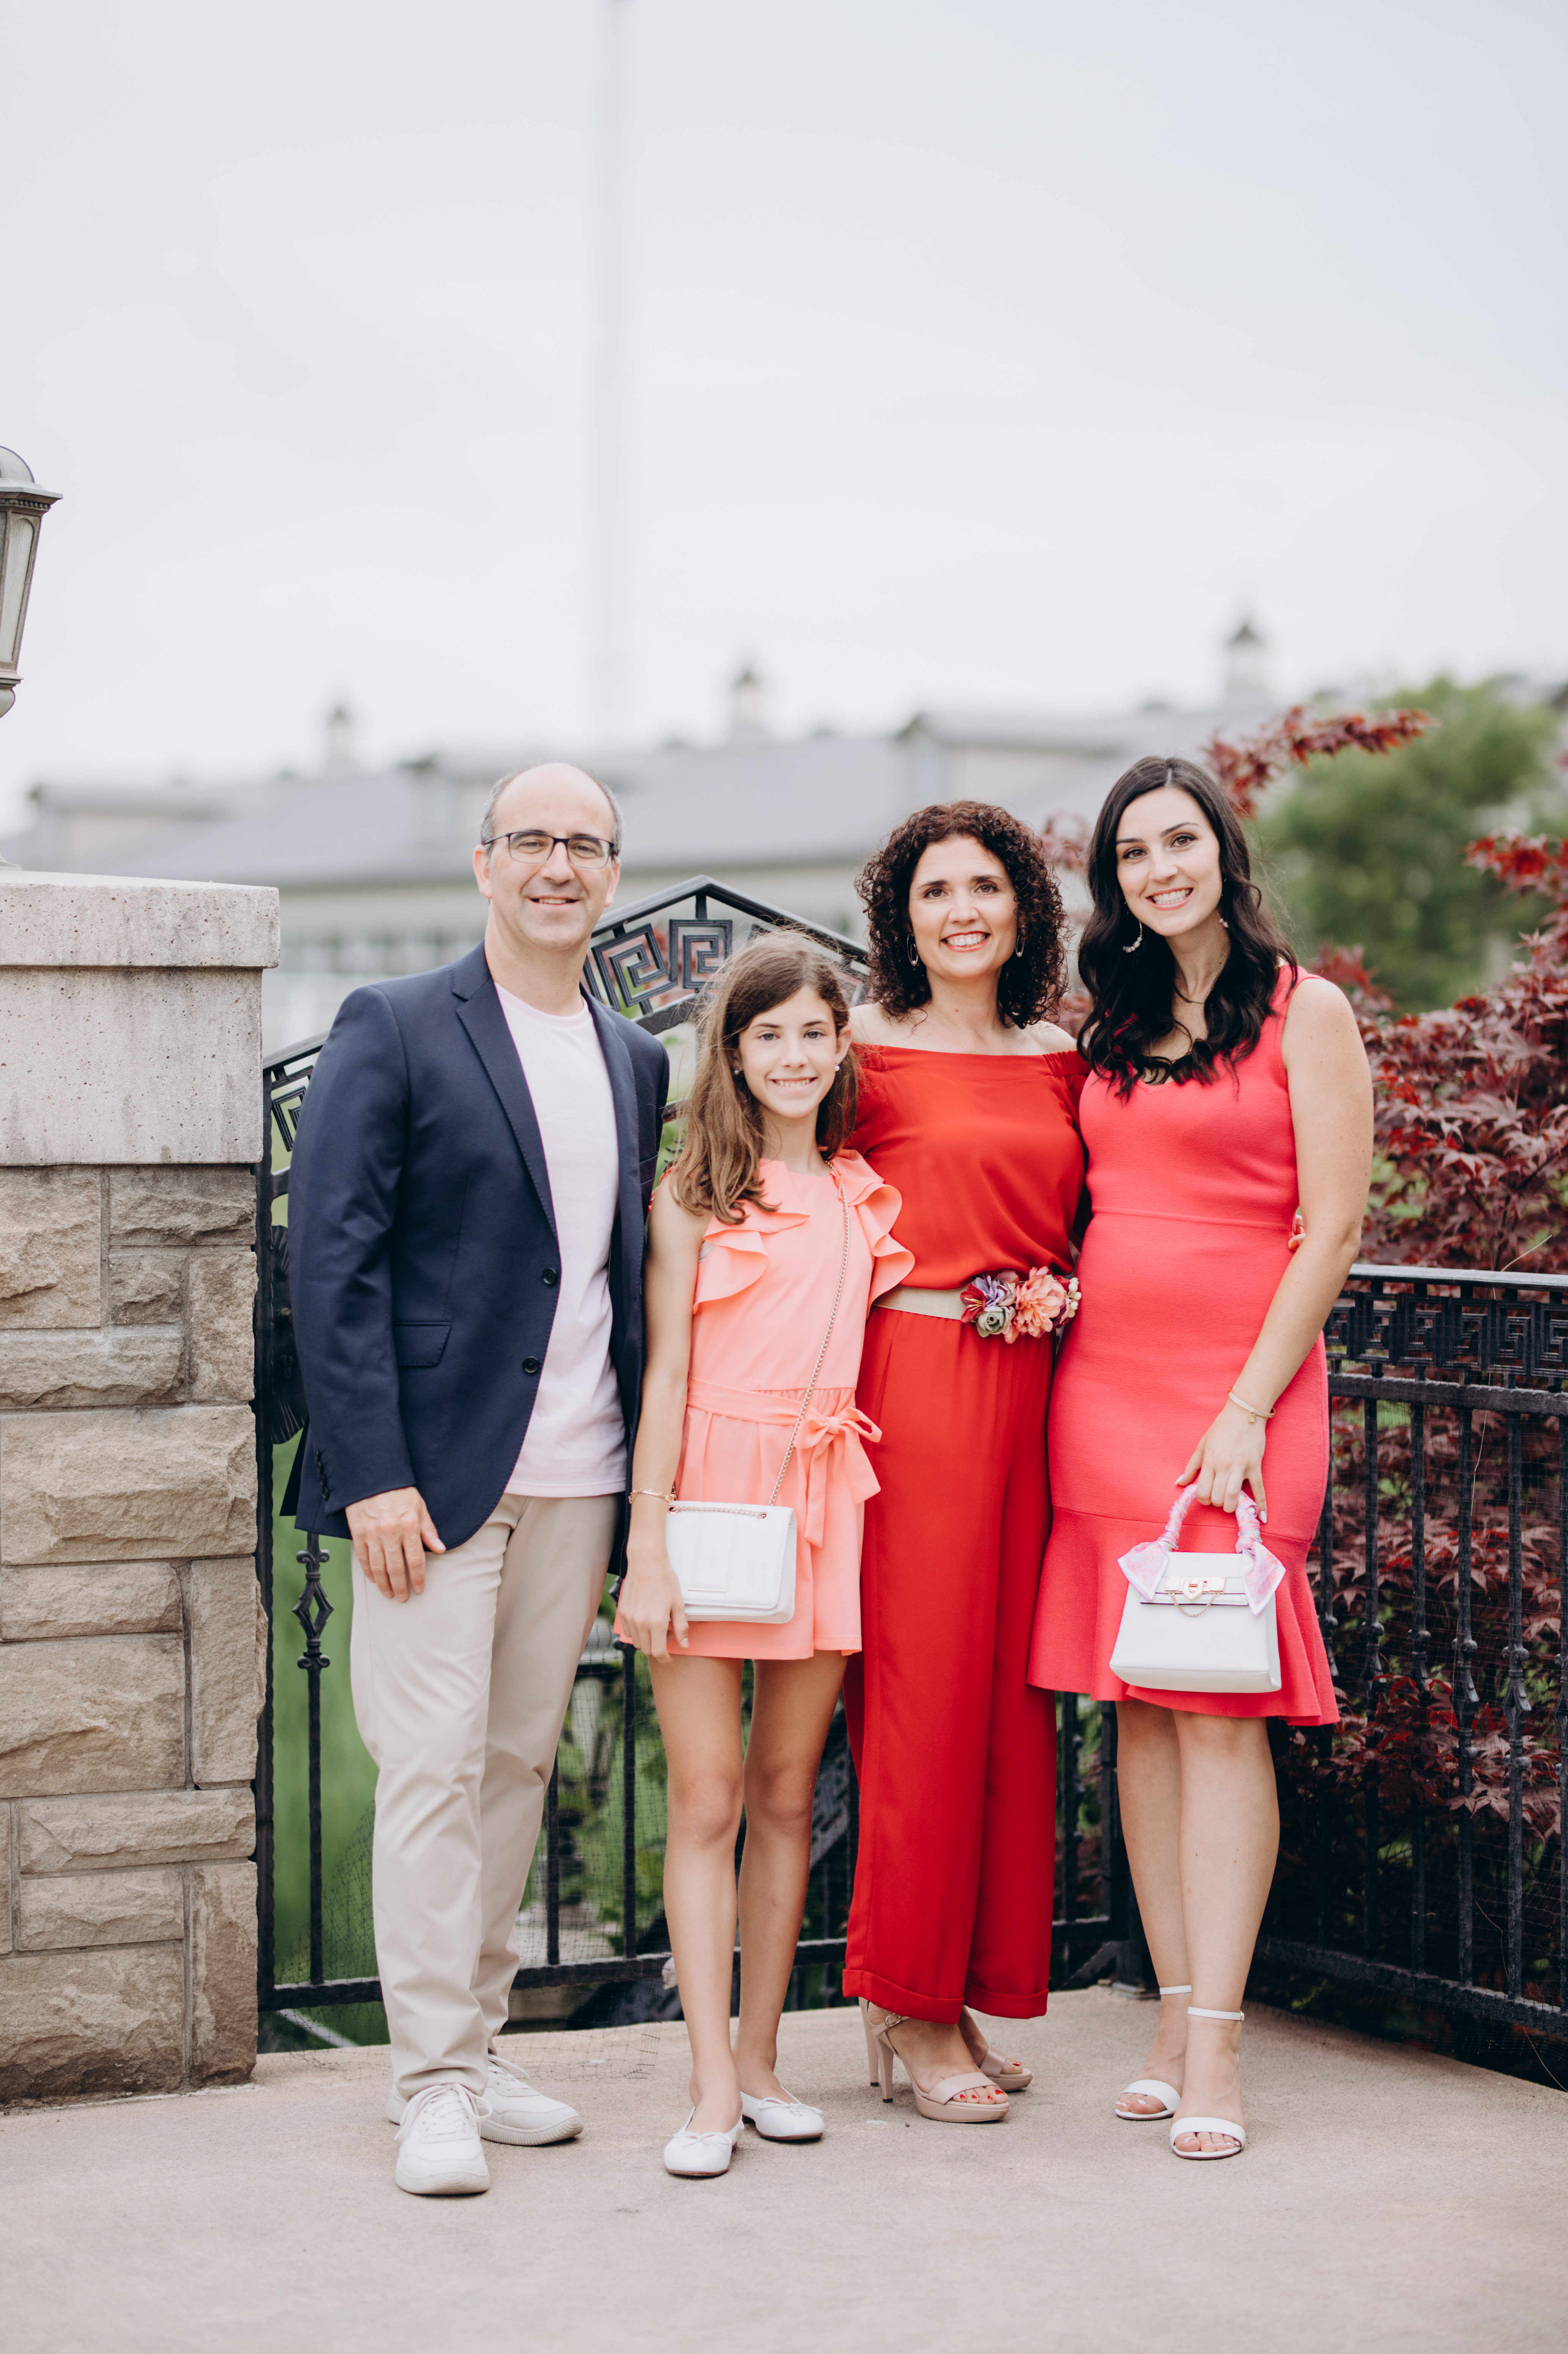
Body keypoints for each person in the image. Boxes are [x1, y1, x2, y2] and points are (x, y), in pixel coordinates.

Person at [286, 763, 669, 2197]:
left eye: (587, 844)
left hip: (581, 1472)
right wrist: (373, 1472)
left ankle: (479, 2044)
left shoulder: (636, 1057)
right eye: (533, 840)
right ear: (484, 861)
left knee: (515, 1767)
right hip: (430, 1483)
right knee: (431, 1768)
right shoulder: (393, 1023)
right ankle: (431, 2082)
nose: (559, 865)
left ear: (614, 874)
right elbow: (331, 1263)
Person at [1029, 754, 1369, 2161]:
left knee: (1221, 1703)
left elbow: (1332, 1229)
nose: (1159, 869)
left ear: (1224, 853)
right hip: (1102, 1396)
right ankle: (1172, 2021)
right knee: (1142, 1706)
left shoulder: (1308, 1011)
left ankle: (1221, 2045)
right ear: (1113, 879)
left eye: (1180, 841)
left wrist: (1242, 1406)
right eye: (1132, 852)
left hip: (1244, 1401)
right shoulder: (1108, 1023)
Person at [616, 933, 910, 2178]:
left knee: (790, 1794)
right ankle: (708, 2084)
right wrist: (647, 1548)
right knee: (709, 1796)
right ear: (733, 1053)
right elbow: (663, 1380)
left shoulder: (860, 1192)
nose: (793, 1055)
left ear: (842, 1047)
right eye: (768, 1034)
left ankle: (765, 2058)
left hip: (822, 1493)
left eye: (813, 1033)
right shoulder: (691, 1198)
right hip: (705, 1496)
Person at [841, 801, 1085, 2122]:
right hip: (917, 1382)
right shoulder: (862, 1049)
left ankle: (966, 1987)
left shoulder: (1060, 1056)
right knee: (923, 1698)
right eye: (935, 890)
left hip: (1035, 1391)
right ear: (903, 913)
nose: (962, 910)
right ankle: (907, 2000)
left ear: (1023, 906)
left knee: (1008, 1704)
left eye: (985, 885)